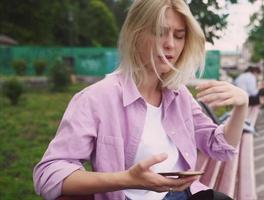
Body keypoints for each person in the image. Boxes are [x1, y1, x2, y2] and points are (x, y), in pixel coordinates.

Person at [33, 0, 249, 200]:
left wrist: (242, 106)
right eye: (159, 32)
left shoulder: (178, 94)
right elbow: (48, 174)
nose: (170, 45)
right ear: (135, 34)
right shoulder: (95, 99)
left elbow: (218, 147)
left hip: (183, 194)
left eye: (179, 35)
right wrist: (126, 180)